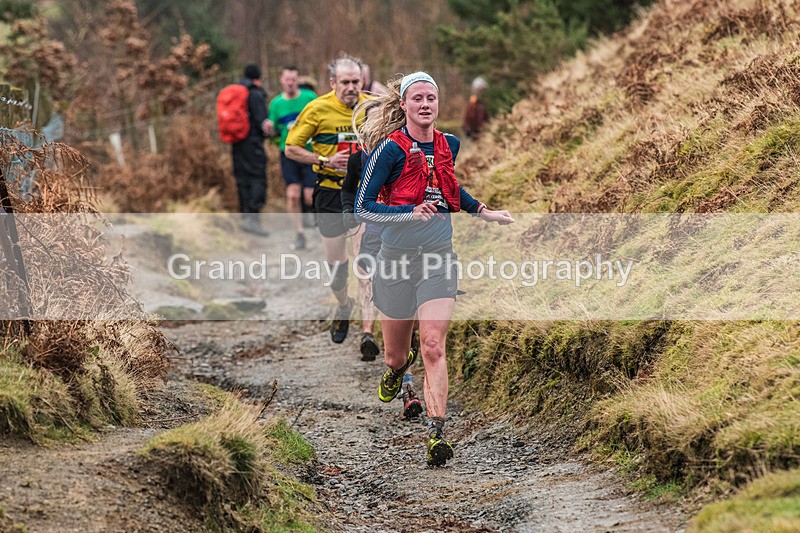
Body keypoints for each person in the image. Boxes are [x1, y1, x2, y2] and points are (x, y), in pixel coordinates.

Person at [354, 72, 514, 466]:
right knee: (396, 356)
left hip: (438, 255)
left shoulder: (449, 144)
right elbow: (363, 206)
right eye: (418, 98)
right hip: (395, 260)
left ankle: (436, 434)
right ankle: (395, 369)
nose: (426, 104)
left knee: (432, 345)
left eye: (432, 98)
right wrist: (408, 212)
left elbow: (448, 189)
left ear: (438, 104)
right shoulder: (389, 150)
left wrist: (483, 210)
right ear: (404, 106)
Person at [285, 55, 370, 344]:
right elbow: (291, 148)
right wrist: (325, 159)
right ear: (332, 83)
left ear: (362, 80)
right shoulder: (317, 109)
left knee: (366, 263)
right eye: (344, 82)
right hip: (330, 192)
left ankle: (369, 332)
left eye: (355, 81)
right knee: (337, 268)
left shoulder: (372, 107)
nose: (351, 87)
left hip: (364, 193)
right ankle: (345, 305)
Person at [341, 129, 422, 420]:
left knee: (408, 319)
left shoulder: (413, 153)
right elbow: (350, 190)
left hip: (412, 242)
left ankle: (404, 379)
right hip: (375, 239)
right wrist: (350, 214)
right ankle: (404, 382)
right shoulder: (361, 158)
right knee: (382, 299)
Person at [264, 66, 318, 250]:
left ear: (297, 81)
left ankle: (322, 227)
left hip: (310, 152)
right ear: (281, 80)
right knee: (293, 195)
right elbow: (273, 132)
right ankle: (299, 234)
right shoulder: (276, 104)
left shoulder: (309, 98)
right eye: (287, 80)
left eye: (293, 80)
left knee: (309, 196)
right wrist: (269, 129)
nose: (290, 83)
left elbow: (323, 118)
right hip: (288, 153)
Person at [233, 64, 270, 235]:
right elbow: (262, 122)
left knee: (242, 178)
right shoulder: (255, 94)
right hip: (253, 143)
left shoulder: (237, 91)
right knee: (257, 178)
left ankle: (245, 216)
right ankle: (253, 220)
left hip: (236, 142)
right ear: (258, 77)